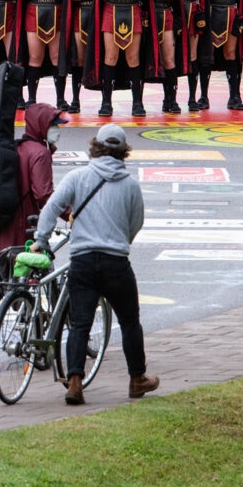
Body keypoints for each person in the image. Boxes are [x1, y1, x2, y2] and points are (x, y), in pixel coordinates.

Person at [32, 124, 159, 405]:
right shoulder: (130, 185)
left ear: (95, 146)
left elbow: (52, 207)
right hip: (116, 262)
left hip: (83, 261)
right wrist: (120, 241)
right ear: (123, 151)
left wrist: (41, 239)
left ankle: (75, 382)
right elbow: (136, 222)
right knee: (129, 322)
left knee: (80, 324)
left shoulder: (78, 177)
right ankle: (137, 379)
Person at [0, 102, 66, 364]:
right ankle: (24, 334)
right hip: (24, 235)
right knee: (32, 284)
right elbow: (44, 194)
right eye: (55, 125)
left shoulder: (15, 148)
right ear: (42, 126)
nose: (58, 130)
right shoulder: (39, 153)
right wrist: (70, 214)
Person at [96, 0, 159, 118]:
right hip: (111, 9)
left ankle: (137, 103)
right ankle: (106, 102)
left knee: (133, 59)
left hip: (132, 9)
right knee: (110, 58)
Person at [15, 0, 70, 109]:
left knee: (56, 57)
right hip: (34, 13)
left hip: (56, 13)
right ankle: (31, 98)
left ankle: (60, 99)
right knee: (35, 57)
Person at [145, 0, 184, 113]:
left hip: (165, 14)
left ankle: (171, 99)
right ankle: (138, 102)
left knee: (169, 59)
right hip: (147, 17)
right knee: (142, 59)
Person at [64, 0, 101, 113]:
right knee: (79, 59)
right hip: (80, 16)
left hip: (97, 17)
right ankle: (75, 100)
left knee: (99, 56)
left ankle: (104, 100)